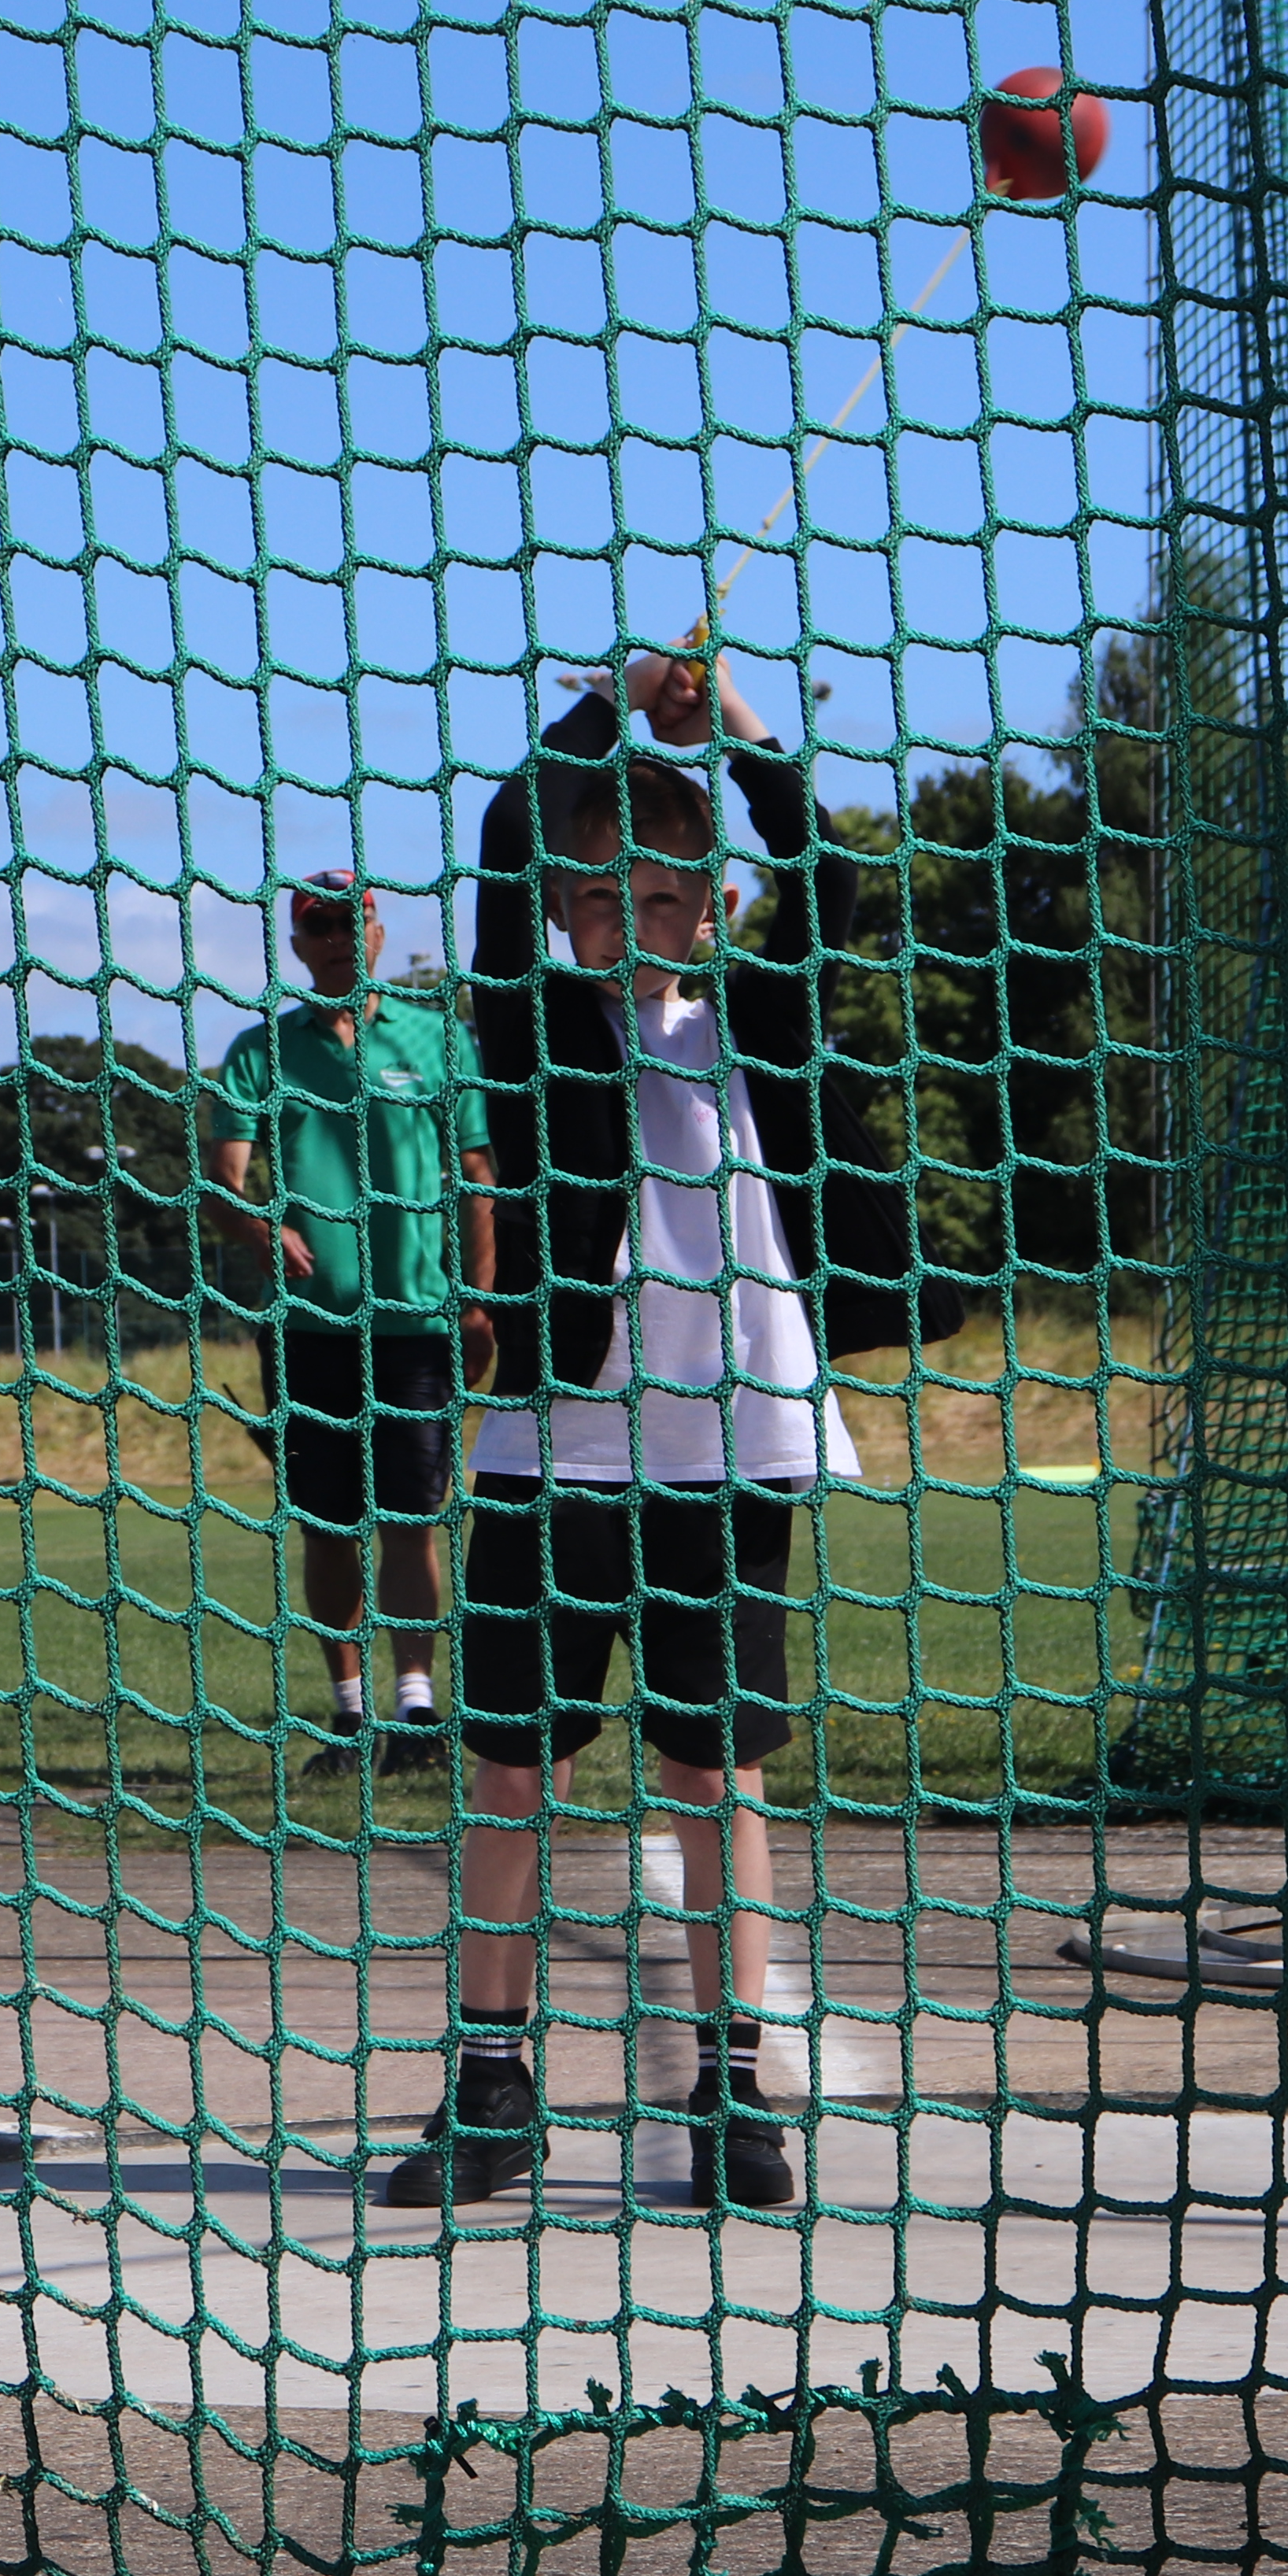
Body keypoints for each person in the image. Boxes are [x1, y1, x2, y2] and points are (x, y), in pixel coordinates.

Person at [376, 649, 960, 2213]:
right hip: (554, 1457)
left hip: (725, 1457)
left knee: (718, 1777)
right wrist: (602, 724)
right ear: (567, 910)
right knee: (511, 1773)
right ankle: (492, 2091)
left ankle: (733, 2090)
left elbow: (829, 868)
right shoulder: (531, 1023)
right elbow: (505, 834)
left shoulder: (761, 1016)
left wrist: (733, 730)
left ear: (711, 894)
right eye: (605, 892)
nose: (636, 914)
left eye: (669, 888)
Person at [200, 872, 498, 1775]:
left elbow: (481, 1175)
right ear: (297, 946)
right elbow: (222, 1180)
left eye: (349, 922)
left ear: (376, 932)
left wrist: (481, 1301)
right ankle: (350, 1715)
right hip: (309, 1331)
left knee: (413, 1518)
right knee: (329, 1527)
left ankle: (416, 1711)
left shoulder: (440, 1038)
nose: (335, 938)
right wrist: (261, 1226)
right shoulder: (261, 1051)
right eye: (316, 926)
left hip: (415, 1324)